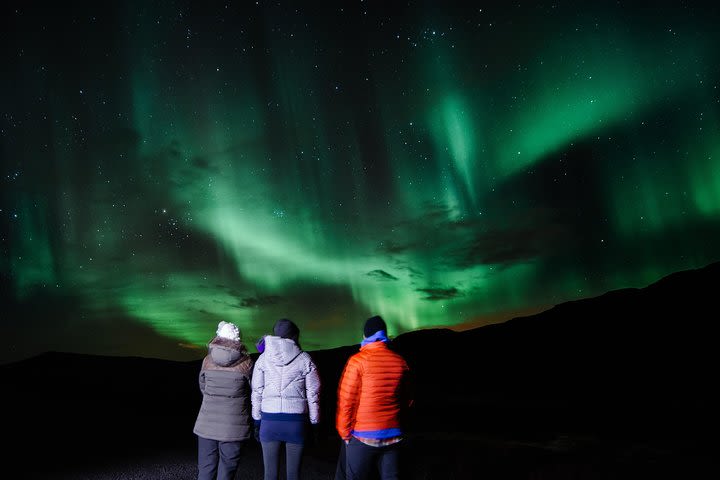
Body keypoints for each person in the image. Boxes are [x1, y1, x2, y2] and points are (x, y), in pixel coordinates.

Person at [335, 315, 413, 480]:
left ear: (365, 336)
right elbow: (408, 399)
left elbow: (347, 401)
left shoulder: (357, 361)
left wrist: (344, 432)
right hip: (393, 435)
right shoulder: (400, 362)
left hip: (363, 435)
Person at [251, 318, 321, 480]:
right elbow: (313, 394)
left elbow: (256, 392)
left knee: (269, 475)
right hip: (296, 423)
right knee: (293, 475)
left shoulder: (262, 359)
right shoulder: (305, 359)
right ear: (295, 336)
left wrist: (256, 421)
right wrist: (315, 422)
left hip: (269, 421)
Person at [193, 321, 254, 480]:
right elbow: (251, 390)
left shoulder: (207, 361)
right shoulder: (247, 363)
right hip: (234, 426)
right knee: (227, 471)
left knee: (206, 470)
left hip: (206, 424)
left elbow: (203, 388)